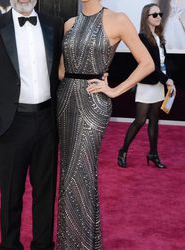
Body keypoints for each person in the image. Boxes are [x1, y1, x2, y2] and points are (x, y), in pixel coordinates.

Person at [0, 0, 63, 249]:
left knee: (45, 193)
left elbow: (64, 69)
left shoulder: (54, 24)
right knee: (11, 195)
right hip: (10, 125)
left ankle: (42, 244)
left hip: (47, 122)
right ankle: (9, 245)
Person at [56, 0, 154, 249]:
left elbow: (147, 63)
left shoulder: (118, 19)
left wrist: (114, 90)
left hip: (93, 104)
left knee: (82, 171)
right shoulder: (70, 24)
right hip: (66, 101)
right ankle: (73, 243)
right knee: (68, 173)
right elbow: (61, 72)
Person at [118, 3, 176, 169]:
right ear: (146, 18)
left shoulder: (159, 37)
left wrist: (168, 80)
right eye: (154, 15)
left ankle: (153, 153)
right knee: (140, 120)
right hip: (147, 83)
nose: (158, 17)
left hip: (159, 84)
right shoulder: (142, 37)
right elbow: (150, 65)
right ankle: (123, 151)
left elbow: (164, 63)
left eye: (160, 14)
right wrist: (166, 79)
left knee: (154, 121)